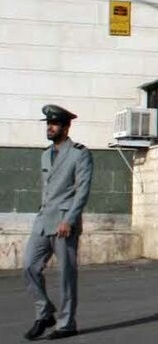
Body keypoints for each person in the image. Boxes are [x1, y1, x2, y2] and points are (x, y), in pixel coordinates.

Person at [22, 105, 93, 341]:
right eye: (47, 124)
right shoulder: (45, 154)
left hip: (64, 223)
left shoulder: (80, 153)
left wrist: (69, 219)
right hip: (43, 221)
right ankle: (44, 314)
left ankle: (66, 323)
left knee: (65, 276)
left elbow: (82, 191)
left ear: (65, 126)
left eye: (53, 124)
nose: (49, 128)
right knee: (29, 266)